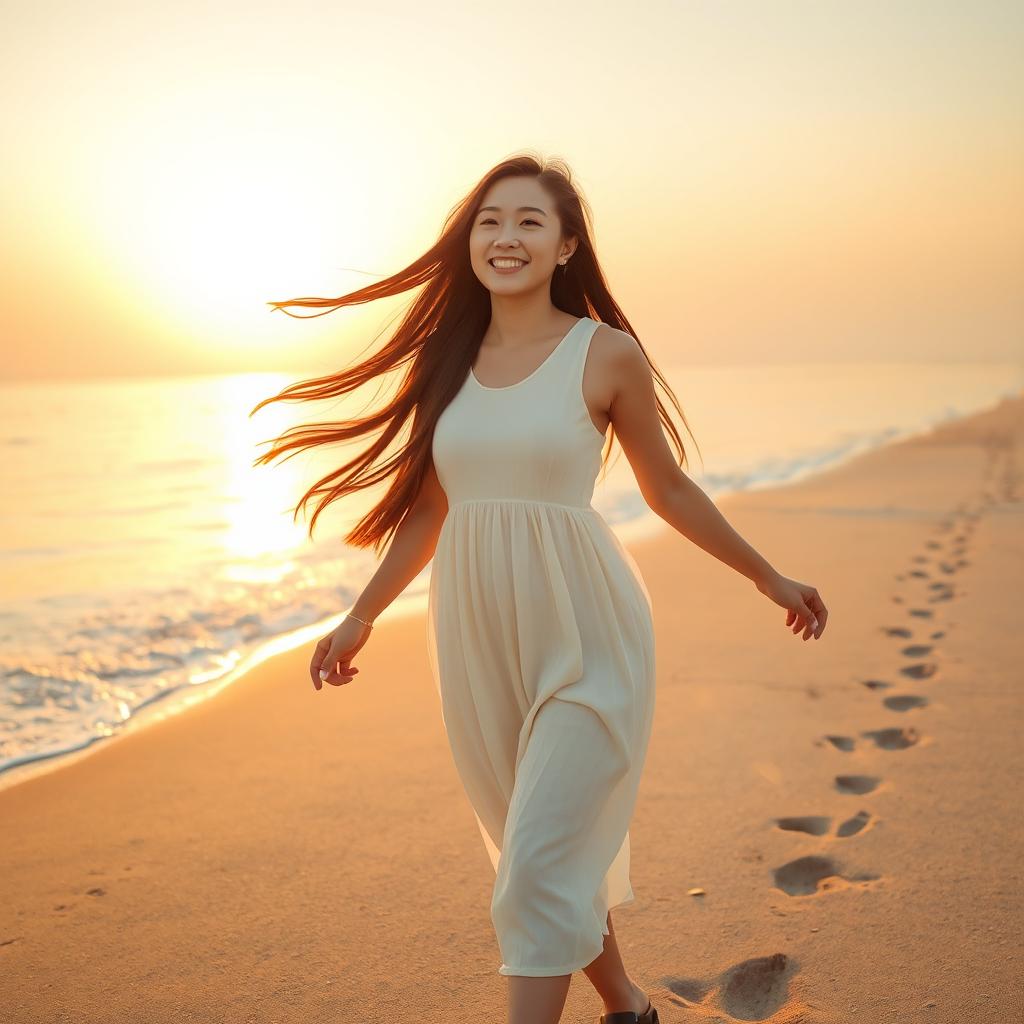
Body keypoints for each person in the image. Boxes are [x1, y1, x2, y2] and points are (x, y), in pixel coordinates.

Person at [251, 152, 828, 1024]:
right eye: (489, 220)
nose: (505, 236)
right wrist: (360, 615)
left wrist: (767, 576)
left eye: (528, 221)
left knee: (531, 872)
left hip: (588, 631)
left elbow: (667, 489)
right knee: (547, 857)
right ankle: (629, 1008)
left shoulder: (605, 354)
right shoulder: (447, 363)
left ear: (565, 246)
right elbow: (431, 509)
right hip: (479, 640)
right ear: (469, 242)